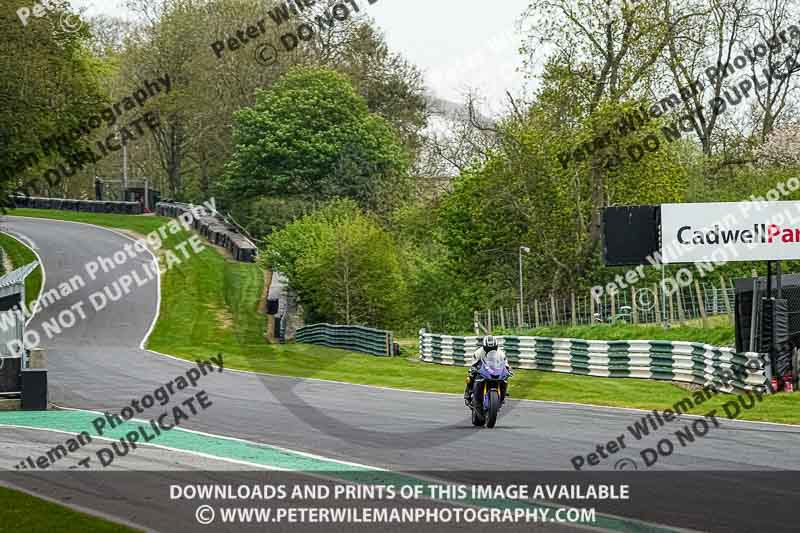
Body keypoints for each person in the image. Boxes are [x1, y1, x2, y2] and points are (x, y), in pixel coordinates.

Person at [463, 335, 511, 404]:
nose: (491, 350)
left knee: (505, 379)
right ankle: (468, 394)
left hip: (495, 369)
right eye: (489, 348)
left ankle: (502, 396)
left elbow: (505, 364)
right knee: (471, 376)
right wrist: (474, 368)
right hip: (482, 368)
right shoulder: (478, 352)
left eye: (493, 348)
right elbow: (474, 363)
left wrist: (507, 369)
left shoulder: (501, 353)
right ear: (484, 347)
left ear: (496, 346)